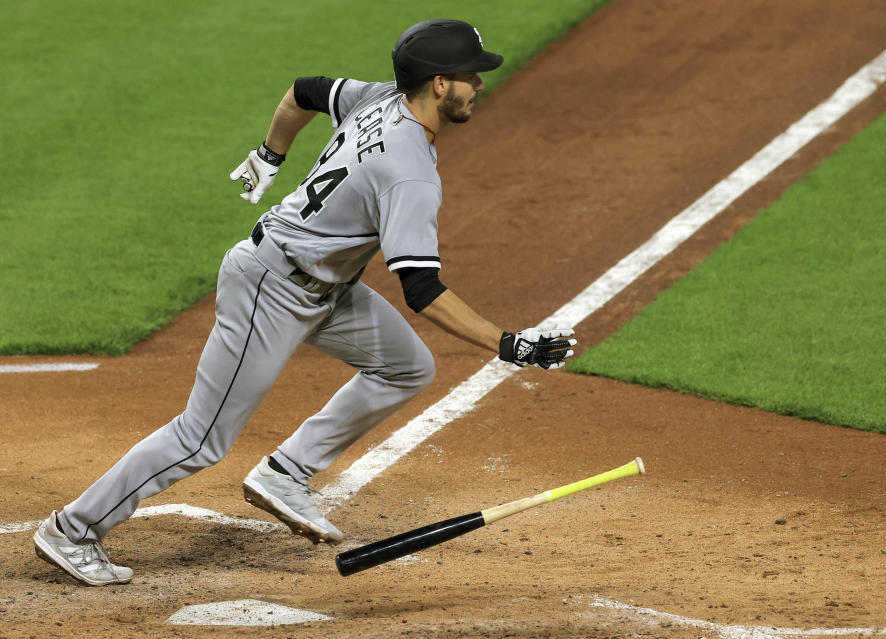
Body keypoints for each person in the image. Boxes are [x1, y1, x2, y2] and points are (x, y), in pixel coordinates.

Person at [32, 19, 575, 586]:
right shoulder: (410, 173)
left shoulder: (377, 98)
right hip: (271, 286)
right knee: (200, 437)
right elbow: (422, 290)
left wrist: (271, 153)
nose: (479, 86)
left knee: (406, 367)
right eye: (470, 76)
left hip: (325, 287)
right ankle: (74, 528)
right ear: (439, 85)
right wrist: (509, 344)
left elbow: (304, 90)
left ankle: (285, 473)